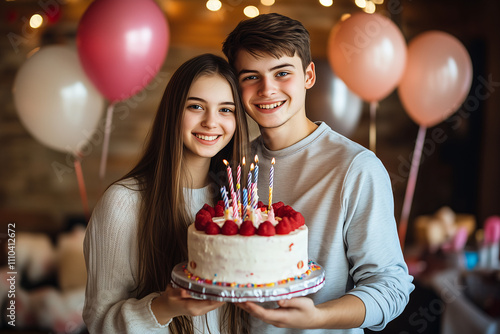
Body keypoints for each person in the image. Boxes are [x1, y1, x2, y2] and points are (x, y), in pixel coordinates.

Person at [222, 13, 414, 333]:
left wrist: (319, 317)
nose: (267, 89)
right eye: (251, 76)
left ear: (309, 75)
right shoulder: (233, 167)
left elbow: (391, 287)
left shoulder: (356, 168)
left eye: (282, 73)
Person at [83, 53, 251, 333]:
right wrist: (164, 307)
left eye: (226, 109)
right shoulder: (124, 202)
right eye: (196, 106)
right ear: (173, 111)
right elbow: (100, 322)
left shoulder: (235, 202)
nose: (211, 122)